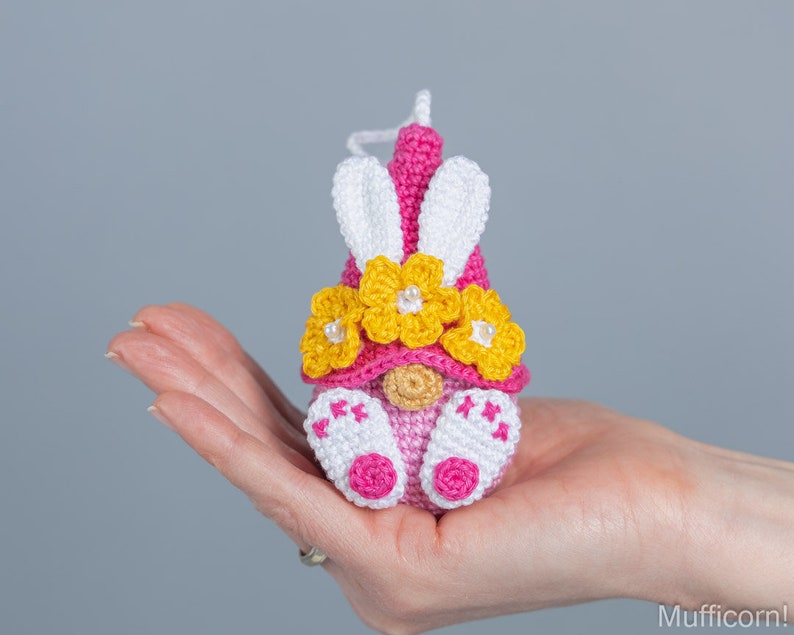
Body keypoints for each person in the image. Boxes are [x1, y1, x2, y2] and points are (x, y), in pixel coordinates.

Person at [106, 302, 794, 635]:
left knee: (477, 409)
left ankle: (458, 457)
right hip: (365, 398)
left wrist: (673, 518)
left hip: (464, 405)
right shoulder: (362, 322)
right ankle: (365, 449)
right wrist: (677, 514)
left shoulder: (462, 324)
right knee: (345, 406)